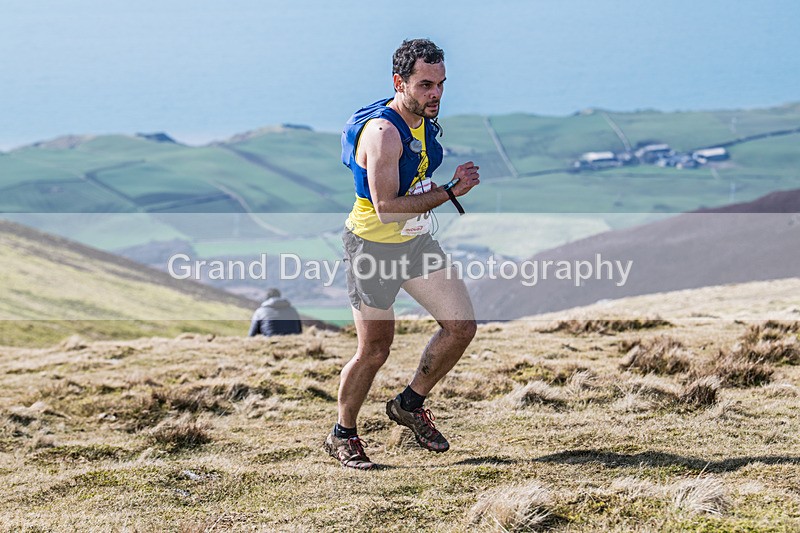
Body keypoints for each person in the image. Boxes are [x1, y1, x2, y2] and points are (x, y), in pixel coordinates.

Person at [324, 39, 480, 470]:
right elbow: (386, 208)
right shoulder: (383, 133)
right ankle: (343, 434)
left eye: (441, 84)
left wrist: (435, 187)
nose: (436, 94)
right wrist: (449, 192)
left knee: (461, 326)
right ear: (400, 83)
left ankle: (410, 404)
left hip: (414, 242)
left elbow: (410, 187)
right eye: (426, 84)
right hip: (371, 248)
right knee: (374, 351)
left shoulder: (421, 119)